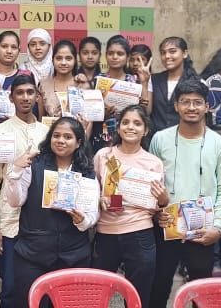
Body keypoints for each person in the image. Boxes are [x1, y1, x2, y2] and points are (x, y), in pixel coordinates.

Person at [149, 80, 221, 308]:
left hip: (203, 229)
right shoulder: (160, 139)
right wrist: (156, 213)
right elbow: (152, 183)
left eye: (197, 102)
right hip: (166, 225)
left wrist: (218, 228)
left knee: (200, 293)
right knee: (158, 287)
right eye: (185, 102)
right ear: (176, 106)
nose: (191, 107)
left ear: (207, 106)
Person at [5, 117, 98, 308]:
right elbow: (15, 201)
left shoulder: (86, 170)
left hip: (73, 256)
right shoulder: (34, 164)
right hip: (32, 255)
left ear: (78, 142)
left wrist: (83, 220)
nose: (61, 140)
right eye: (56, 135)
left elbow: (93, 213)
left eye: (68, 137)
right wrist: (16, 171)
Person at [92, 105, 167, 308]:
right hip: (105, 233)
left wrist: (162, 200)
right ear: (118, 128)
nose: (130, 127)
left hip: (140, 234)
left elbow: (157, 207)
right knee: (96, 294)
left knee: (138, 297)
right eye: (125, 122)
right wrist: (99, 199)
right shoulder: (103, 156)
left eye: (137, 123)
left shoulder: (153, 163)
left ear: (146, 130)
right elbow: (91, 189)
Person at [0, 74, 50, 307]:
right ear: (11, 97)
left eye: (30, 92)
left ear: (37, 96)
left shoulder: (48, 133)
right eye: (20, 93)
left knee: (39, 287)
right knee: (10, 288)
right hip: (10, 222)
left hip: (40, 224)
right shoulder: (0, 132)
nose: (25, 97)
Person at [93, 36, 152, 153]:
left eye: (120, 54)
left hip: (129, 137)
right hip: (102, 137)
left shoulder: (134, 80)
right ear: (106, 55)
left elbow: (146, 111)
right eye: (110, 53)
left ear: (127, 57)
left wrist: (144, 82)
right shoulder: (97, 80)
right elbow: (90, 114)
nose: (115, 57)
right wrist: (102, 114)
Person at [150, 37, 200, 136]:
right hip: (155, 139)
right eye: (163, 53)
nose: (167, 56)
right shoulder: (153, 80)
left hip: (184, 138)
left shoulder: (197, 82)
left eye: (172, 52)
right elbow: (147, 111)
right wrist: (144, 82)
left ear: (184, 54)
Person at [38, 40, 90, 118]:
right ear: (52, 60)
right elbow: (40, 119)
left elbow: (89, 120)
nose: (63, 63)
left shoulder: (83, 85)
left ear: (75, 60)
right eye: (59, 58)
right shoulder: (44, 85)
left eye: (68, 59)